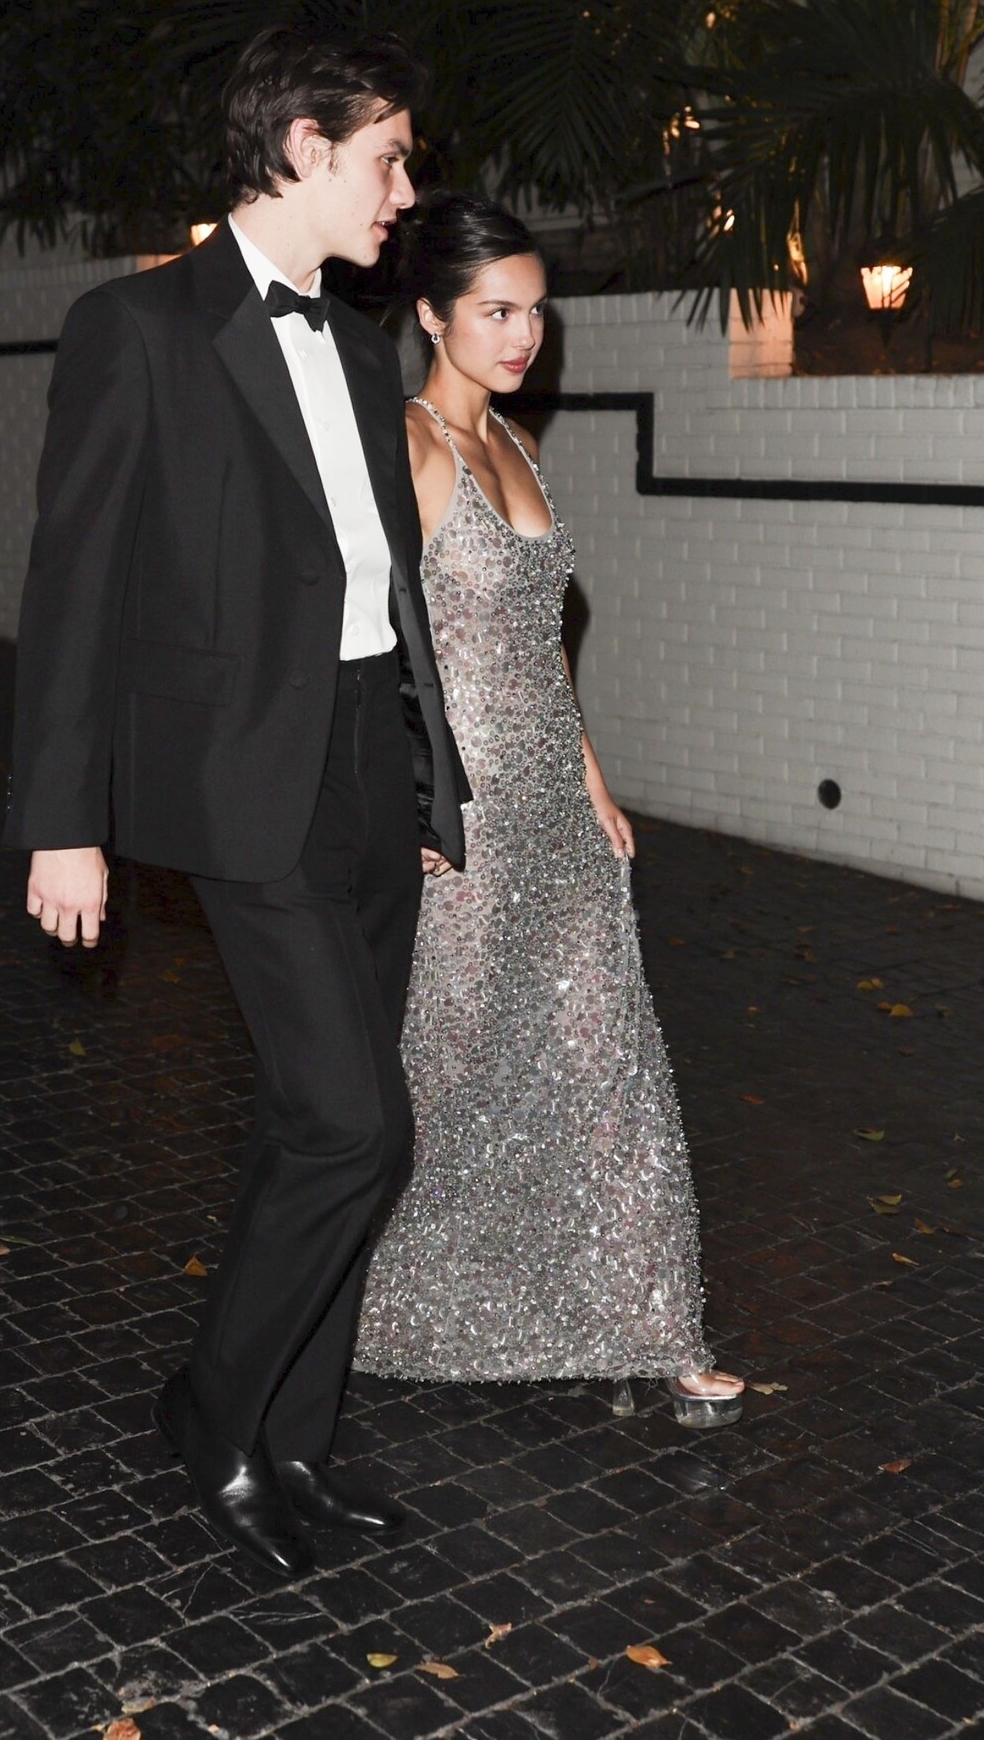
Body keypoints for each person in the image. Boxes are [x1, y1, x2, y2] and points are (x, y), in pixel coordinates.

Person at [4, 28, 471, 1578]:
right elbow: (73, 587)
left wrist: (426, 770)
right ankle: (212, 1413)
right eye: (386, 158)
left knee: (314, 1120)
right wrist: (62, 820)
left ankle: (296, 1439)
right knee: (355, 1127)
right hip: (236, 782)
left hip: (367, 766)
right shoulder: (137, 328)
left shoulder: (363, 345)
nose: (403, 191)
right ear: (301, 147)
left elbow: (385, 589)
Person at [354, 194, 744, 1427]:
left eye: (534, 311)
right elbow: (364, 649)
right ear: (430, 315)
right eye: (495, 312)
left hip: (553, 811)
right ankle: (372, 1302)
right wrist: (409, 799)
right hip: (461, 815)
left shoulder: (518, 443)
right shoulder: (405, 446)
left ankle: (658, 1327)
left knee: (605, 1063)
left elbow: (537, 642)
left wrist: (588, 776)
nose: (523, 335)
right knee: (451, 1069)